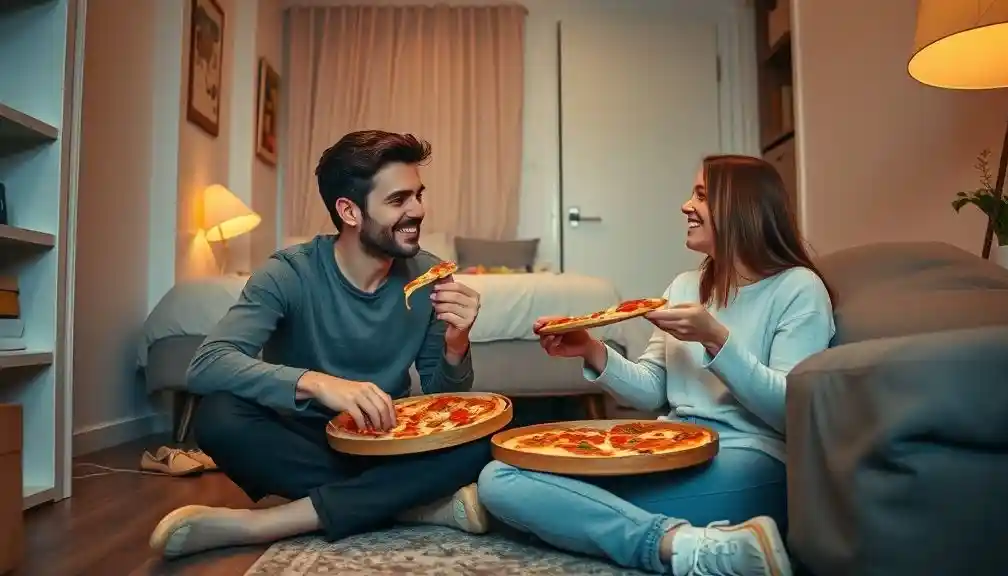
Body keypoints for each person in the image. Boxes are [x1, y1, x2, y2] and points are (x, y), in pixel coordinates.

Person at [477, 155, 835, 576]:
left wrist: (716, 338)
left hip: (752, 460)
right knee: (499, 478)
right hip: (668, 449)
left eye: (700, 195)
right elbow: (651, 390)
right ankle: (685, 545)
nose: (685, 205)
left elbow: (790, 413)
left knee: (549, 501)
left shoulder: (798, 290)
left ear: (741, 208)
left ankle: (650, 541)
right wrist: (592, 350)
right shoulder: (685, 286)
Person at [149, 130, 490, 558]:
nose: (418, 210)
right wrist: (317, 383)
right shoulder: (288, 272)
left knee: (489, 438)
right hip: (304, 441)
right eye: (399, 200)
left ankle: (273, 521)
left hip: (386, 441)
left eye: (419, 195)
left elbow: (445, 405)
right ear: (349, 210)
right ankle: (413, 507)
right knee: (218, 416)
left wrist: (456, 344)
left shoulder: (432, 277)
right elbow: (207, 364)